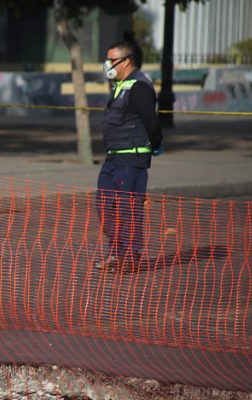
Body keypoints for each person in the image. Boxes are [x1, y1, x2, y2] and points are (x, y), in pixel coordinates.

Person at [94, 41, 163, 273]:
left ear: (127, 61)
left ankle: (130, 257)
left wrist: (156, 144)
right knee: (105, 207)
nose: (107, 65)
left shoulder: (139, 86)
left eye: (112, 60)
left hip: (132, 160)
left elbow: (152, 122)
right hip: (113, 158)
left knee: (127, 210)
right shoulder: (120, 85)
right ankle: (116, 252)